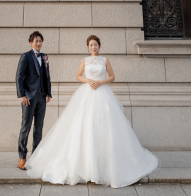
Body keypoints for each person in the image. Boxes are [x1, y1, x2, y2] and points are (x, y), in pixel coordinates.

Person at [24, 35, 159, 188]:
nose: (93, 47)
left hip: (103, 93)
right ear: (88, 47)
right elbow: (78, 76)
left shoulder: (105, 60)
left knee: (104, 126)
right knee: (84, 125)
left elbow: (112, 77)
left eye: (95, 45)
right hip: (87, 93)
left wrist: (100, 82)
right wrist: (89, 81)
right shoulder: (84, 61)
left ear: (99, 46)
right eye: (91, 45)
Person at [15, 31, 52, 170]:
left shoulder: (44, 57)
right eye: (36, 41)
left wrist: (48, 93)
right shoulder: (26, 56)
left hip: (42, 96)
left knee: (39, 127)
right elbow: (19, 77)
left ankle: (36, 157)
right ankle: (22, 156)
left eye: (40, 41)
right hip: (28, 97)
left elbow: (47, 76)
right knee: (26, 126)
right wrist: (22, 95)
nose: (38, 43)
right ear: (31, 43)